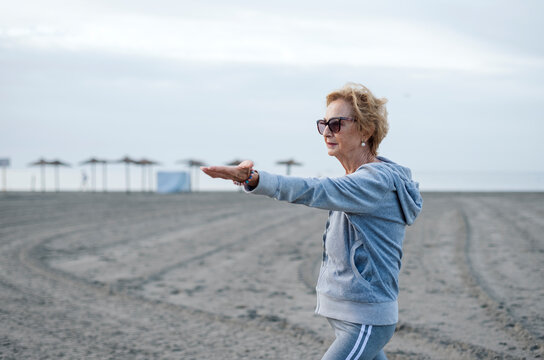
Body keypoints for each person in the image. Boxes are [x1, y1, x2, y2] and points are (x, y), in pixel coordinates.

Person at [201, 83, 422, 360]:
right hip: (352, 314)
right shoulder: (357, 179)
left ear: (366, 130)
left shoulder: (374, 181)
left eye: (337, 123)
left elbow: (314, 189)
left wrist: (252, 178)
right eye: (324, 123)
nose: (328, 131)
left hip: (366, 318)